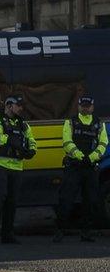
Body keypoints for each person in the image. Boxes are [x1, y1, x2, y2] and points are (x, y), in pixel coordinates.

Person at [0, 95, 37, 244]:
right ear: (9, 105)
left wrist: (31, 150)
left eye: (21, 105)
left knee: (12, 201)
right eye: (18, 105)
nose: (21, 108)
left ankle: (7, 234)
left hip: (16, 165)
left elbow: (31, 140)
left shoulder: (23, 124)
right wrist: (8, 139)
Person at [55, 96, 107, 243]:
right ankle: (60, 230)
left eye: (88, 105)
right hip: (74, 167)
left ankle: (86, 233)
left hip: (90, 168)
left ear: (92, 107)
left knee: (90, 201)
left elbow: (103, 143)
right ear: (78, 107)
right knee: (66, 199)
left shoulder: (99, 124)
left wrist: (90, 158)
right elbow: (67, 142)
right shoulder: (70, 122)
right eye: (83, 105)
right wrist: (79, 156)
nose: (85, 108)